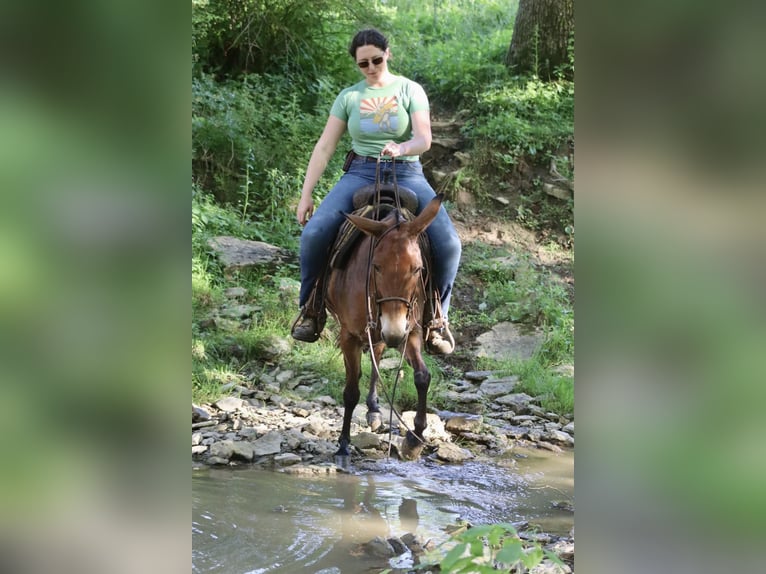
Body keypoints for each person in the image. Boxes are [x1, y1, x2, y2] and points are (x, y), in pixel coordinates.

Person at [292, 28, 461, 354]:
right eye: (363, 63)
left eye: (376, 60)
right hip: (360, 172)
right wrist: (306, 194)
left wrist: (402, 147)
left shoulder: (410, 90)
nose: (370, 67)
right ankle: (310, 310)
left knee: (449, 243)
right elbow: (325, 146)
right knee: (314, 234)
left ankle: (437, 320)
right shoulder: (349, 97)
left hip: (407, 171)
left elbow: (424, 139)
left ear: (388, 54)